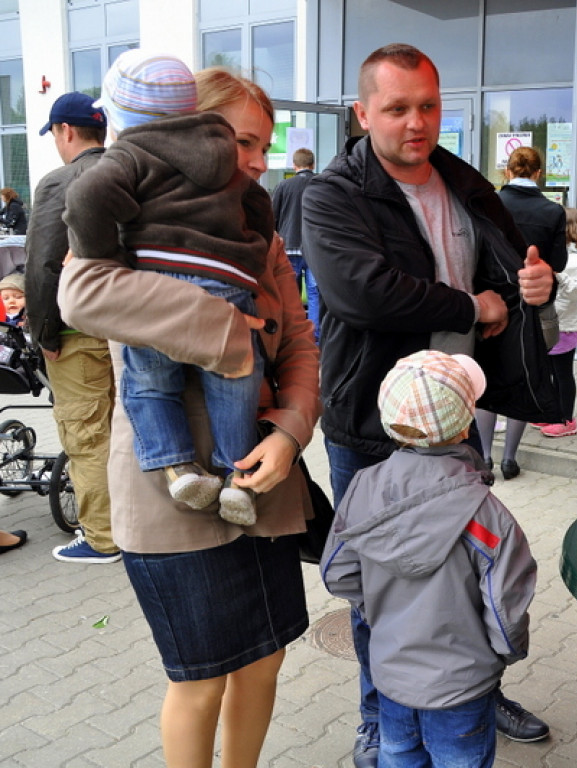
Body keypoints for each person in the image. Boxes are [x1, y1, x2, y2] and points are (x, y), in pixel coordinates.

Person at [58, 67, 320, 768]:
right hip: (166, 494)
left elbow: (298, 341)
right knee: (200, 680)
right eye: (243, 142)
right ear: (186, 135)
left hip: (259, 480)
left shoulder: (254, 227)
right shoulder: (132, 231)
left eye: (265, 146)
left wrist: (292, 433)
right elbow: (77, 295)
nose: (259, 162)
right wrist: (233, 331)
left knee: (265, 660)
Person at [302, 42, 556, 768]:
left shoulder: (463, 183)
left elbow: (507, 277)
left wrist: (522, 294)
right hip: (372, 424)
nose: (417, 121)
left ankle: (472, 691)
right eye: (397, 108)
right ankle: (380, 717)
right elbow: (363, 292)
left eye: (429, 106)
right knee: (374, 588)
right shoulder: (333, 195)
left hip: (455, 420)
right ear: (362, 113)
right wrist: (474, 307)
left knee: (467, 572)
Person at [64, 50, 274, 526]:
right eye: (246, 142)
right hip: (227, 281)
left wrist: (106, 254)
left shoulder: (130, 155)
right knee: (238, 379)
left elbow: (85, 198)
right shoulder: (227, 170)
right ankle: (233, 478)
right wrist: (248, 256)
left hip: (156, 271)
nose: (257, 161)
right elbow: (260, 203)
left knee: (150, 383)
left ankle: (177, 467)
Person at [322, 349, 536, 768]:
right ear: (465, 426)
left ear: (391, 423)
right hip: (463, 688)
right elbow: (505, 612)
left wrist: (378, 613)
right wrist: (498, 658)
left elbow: (338, 573)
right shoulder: (488, 516)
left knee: (398, 758)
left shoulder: (364, 486)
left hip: (391, 677)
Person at [24, 90, 119, 565]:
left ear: (65, 131)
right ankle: (135, 524)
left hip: (77, 331)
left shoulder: (61, 180)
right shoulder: (126, 170)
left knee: (87, 435)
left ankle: (102, 538)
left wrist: (43, 334)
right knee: (124, 429)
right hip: (126, 329)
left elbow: (43, 263)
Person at [477, 145, 567, 476]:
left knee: (485, 383)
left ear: (508, 171)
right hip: (534, 309)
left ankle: (484, 455)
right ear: (539, 173)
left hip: (492, 307)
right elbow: (556, 264)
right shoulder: (552, 211)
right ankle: (509, 458)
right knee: (523, 379)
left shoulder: (489, 205)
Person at [538, 207, 577, 438]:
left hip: (566, 327)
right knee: (551, 373)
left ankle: (566, 420)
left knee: (562, 374)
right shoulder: (563, 255)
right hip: (556, 324)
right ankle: (554, 415)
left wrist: (558, 275)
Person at [272, 147, 320, 341]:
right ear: (313, 164)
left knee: (291, 293)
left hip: (289, 245)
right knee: (314, 292)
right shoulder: (321, 184)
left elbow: (273, 216)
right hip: (314, 248)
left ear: (294, 165)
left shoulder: (284, 186)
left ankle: (293, 335)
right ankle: (314, 336)